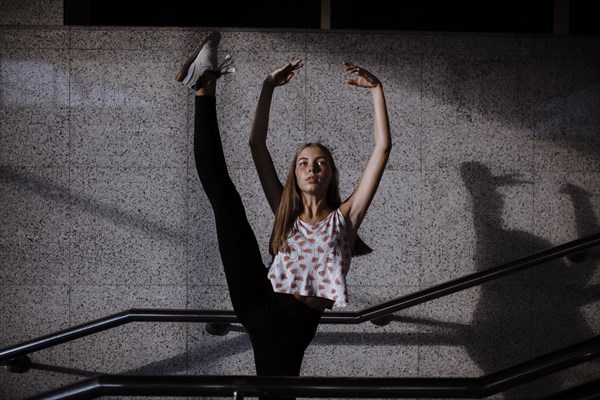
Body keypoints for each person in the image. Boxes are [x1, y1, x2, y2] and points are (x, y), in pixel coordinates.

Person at [177, 30, 391, 394]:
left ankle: (203, 81)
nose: (312, 168)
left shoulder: (346, 218)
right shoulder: (284, 210)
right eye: (304, 163)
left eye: (320, 163)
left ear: (330, 174)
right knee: (225, 198)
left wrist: (376, 90)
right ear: (295, 172)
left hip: (289, 324)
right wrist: (267, 87)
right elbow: (256, 144)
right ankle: (204, 82)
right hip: (264, 297)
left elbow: (382, 148)